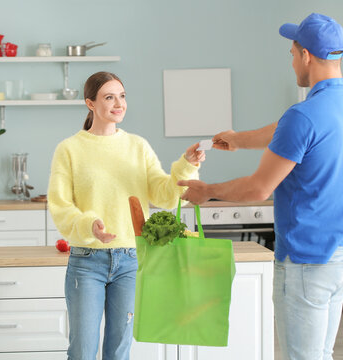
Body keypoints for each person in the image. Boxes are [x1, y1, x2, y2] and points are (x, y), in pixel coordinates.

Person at [178, 13, 343, 360]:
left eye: (293, 53)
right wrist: (237, 140)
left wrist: (207, 192)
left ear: (306, 55)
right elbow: (287, 128)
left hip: (307, 261)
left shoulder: (304, 116)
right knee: (320, 355)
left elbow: (258, 189)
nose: (292, 60)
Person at [48, 71, 204, 360]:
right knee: (82, 350)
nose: (119, 103)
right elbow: (59, 205)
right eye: (109, 97)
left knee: (119, 350)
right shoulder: (69, 149)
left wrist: (186, 165)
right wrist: (88, 225)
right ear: (90, 103)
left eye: (122, 96)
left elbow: (163, 194)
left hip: (131, 260)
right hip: (86, 261)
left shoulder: (137, 146)